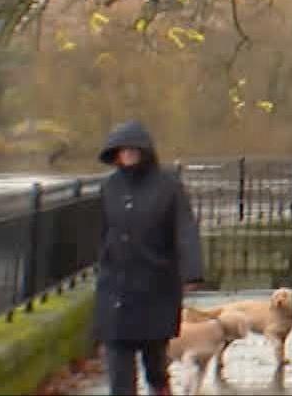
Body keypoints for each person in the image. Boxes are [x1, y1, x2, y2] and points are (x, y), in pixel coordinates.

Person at [94, 121, 203, 396]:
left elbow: (185, 229)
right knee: (119, 371)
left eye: (133, 149)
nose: (128, 155)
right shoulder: (110, 187)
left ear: (145, 151)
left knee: (154, 364)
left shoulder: (168, 186)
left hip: (155, 287)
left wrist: (191, 271)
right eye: (122, 150)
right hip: (115, 290)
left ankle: (161, 389)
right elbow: (101, 230)